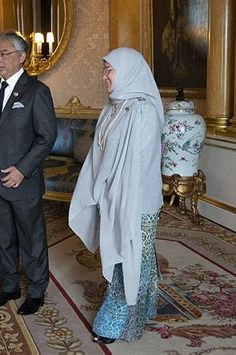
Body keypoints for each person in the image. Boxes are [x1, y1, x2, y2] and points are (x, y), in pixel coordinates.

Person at [69, 47, 164, 343]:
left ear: (128, 71)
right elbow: (99, 154)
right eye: (104, 70)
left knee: (132, 255)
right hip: (112, 195)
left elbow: (141, 161)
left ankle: (115, 321)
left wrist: (114, 189)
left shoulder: (144, 110)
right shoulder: (111, 107)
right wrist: (97, 188)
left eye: (109, 70)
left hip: (137, 199)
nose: (104, 77)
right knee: (135, 254)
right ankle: (146, 305)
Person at [0, 30, 57, 316]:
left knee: (31, 238)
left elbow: (47, 137)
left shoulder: (37, 92)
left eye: (4, 53)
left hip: (24, 181)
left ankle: (36, 291)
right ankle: (9, 286)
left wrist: (22, 169)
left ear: (21, 57)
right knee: (4, 236)